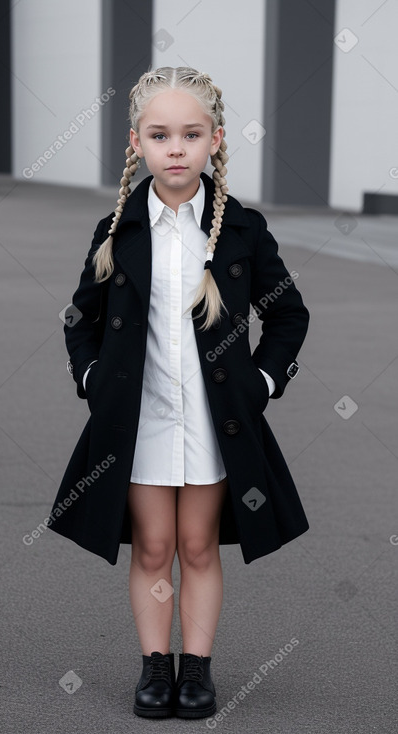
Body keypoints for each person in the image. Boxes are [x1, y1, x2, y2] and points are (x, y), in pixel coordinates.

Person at [49, 66, 310, 720]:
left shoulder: (242, 230)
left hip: (214, 420)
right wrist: (89, 379)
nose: (175, 148)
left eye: (190, 135)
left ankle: (196, 670)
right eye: (159, 134)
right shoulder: (117, 230)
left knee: (196, 546)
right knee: (154, 546)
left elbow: (288, 314)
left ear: (213, 141)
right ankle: (153, 668)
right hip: (137, 422)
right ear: (135, 143)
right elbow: (79, 317)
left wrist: (262, 380)